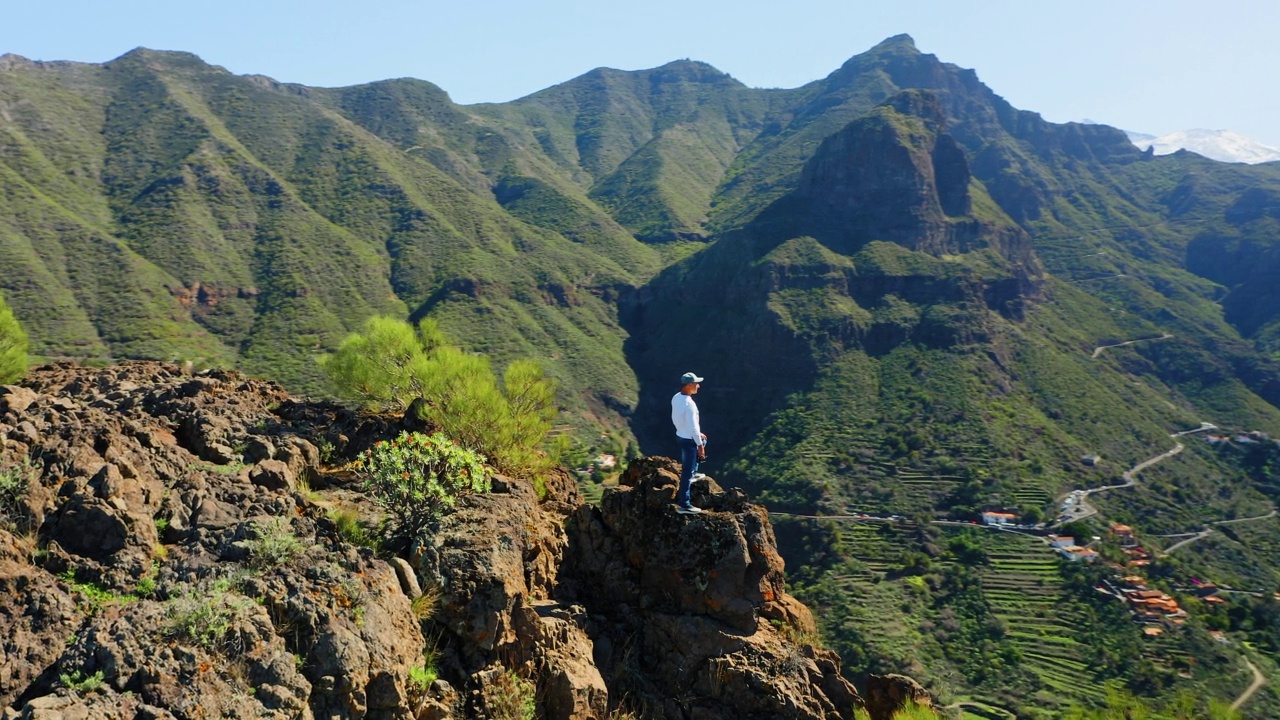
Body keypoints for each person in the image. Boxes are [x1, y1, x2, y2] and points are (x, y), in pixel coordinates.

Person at [671, 371, 707, 514]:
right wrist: (699, 446)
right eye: (696, 384)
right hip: (689, 440)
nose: (698, 386)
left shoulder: (676, 397)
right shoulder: (689, 404)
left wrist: (698, 436)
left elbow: (677, 418)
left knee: (703, 439)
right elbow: (693, 427)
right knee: (686, 472)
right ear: (690, 385)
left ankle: (693, 472)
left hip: (680, 435)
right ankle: (684, 504)